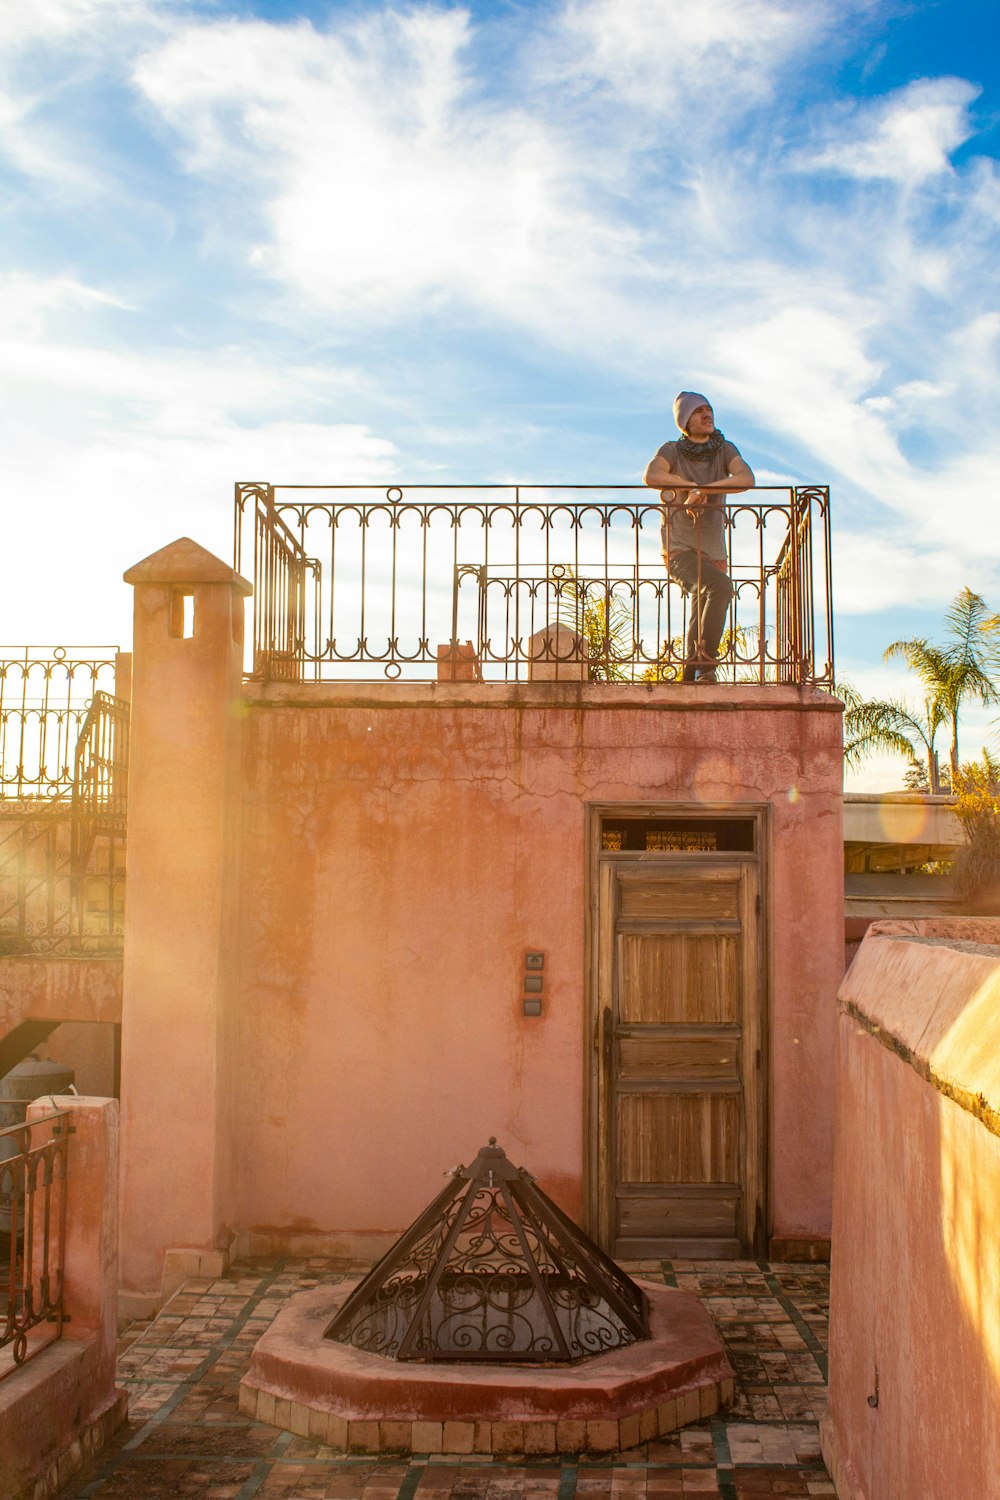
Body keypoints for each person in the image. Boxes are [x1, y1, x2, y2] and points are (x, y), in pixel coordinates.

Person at [643, 392, 754, 682]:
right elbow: (652, 475)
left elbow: (746, 478)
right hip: (680, 549)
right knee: (720, 588)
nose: (707, 415)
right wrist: (689, 485)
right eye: (698, 411)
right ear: (684, 421)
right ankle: (707, 665)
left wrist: (705, 490)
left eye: (709, 409)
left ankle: (690, 674)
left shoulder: (724, 449)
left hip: (714, 550)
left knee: (702, 604)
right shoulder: (672, 450)